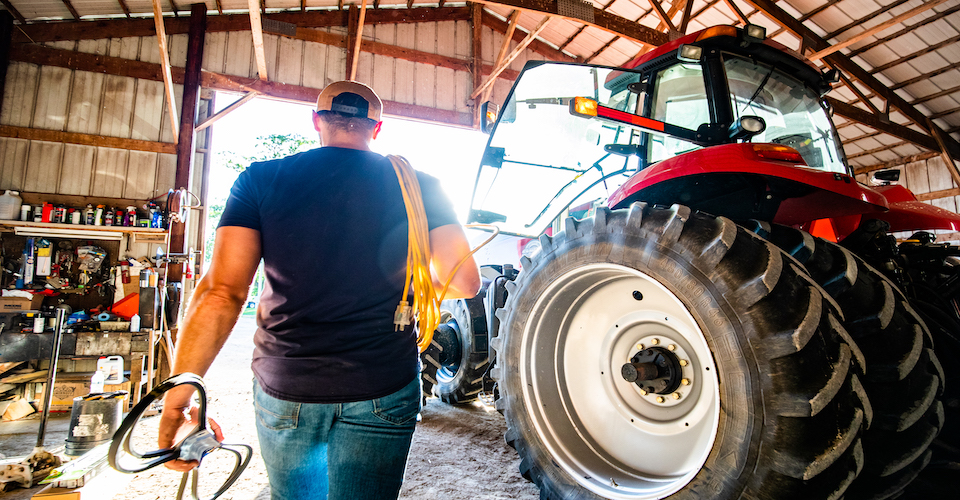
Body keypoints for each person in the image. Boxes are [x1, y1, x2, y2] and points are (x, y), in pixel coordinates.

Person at [157, 80, 482, 500]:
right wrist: (416, 274)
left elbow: (222, 293)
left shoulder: (260, 179)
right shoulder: (420, 185)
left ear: (317, 122)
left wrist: (177, 401)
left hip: (287, 384)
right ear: (376, 129)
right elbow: (465, 281)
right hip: (382, 383)